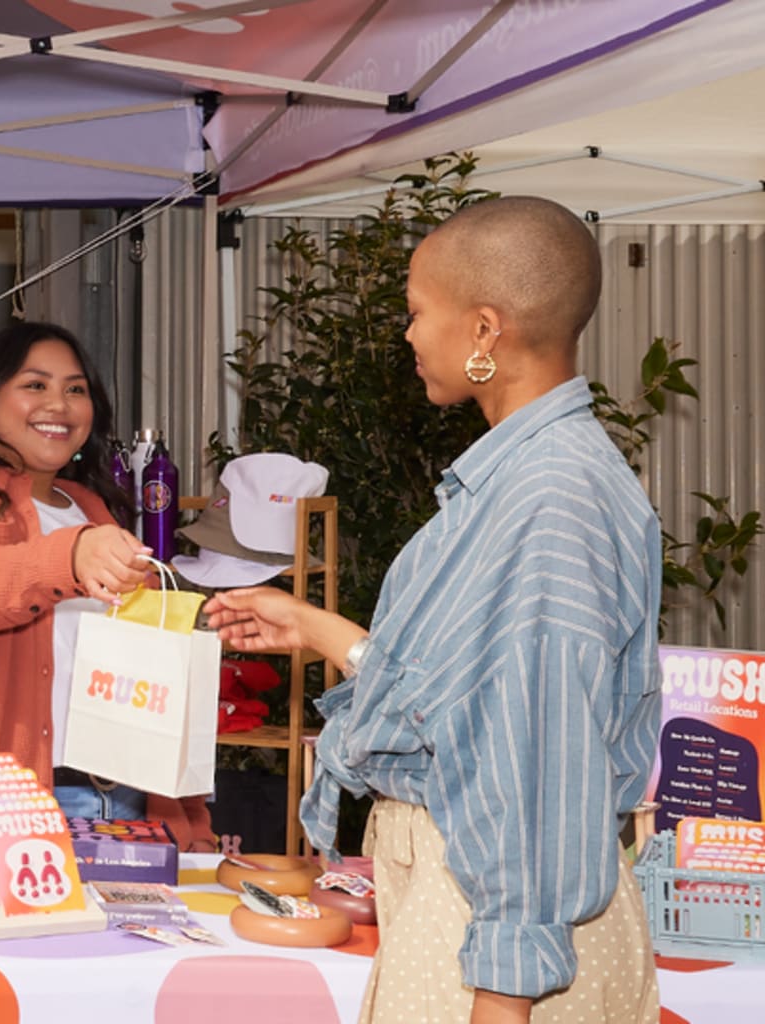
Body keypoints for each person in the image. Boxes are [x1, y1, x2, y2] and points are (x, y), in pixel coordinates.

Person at [205, 197, 661, 1023]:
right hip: (476, 922)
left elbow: (537, 758)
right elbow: (470, 707)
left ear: (485, 330)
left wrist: (503, 995)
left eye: (417, 313)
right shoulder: (526, 481)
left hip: (495, 946)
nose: (408, 335)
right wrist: (323, 633)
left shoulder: (549, 498)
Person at [0, 320, 215, 852]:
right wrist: (69, 558)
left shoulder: (91, 506)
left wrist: (188, 812)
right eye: (34, 385)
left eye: (75, 389)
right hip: (3, 803)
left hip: (123, 795)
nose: (58, 404)